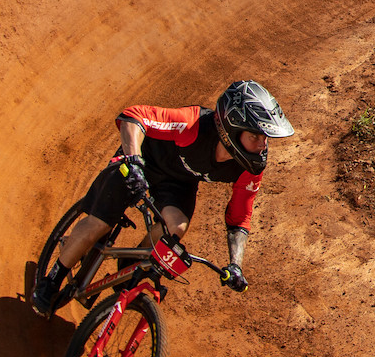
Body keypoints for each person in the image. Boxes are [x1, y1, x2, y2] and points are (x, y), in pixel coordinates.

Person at [32, 81, 295, 316]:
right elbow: (133, 117)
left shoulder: (247, 169)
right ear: (231, 129)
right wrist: (133, 161)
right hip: (141, 161)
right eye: (255, 137)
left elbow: (239, 218)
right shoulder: (191, 124)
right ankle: (52, 279)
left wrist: (235, 265)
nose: (262, 146)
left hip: (177, 182)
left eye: (265, 138)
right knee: (98, 224)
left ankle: (131, 263)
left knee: (176, 226)